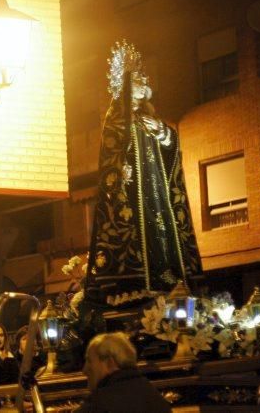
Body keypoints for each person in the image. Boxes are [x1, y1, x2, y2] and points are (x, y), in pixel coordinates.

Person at [85, 41, 202, 307]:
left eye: (143, 79)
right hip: (134, 195)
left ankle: (171, 281)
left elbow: (171, 143)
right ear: (127, 85)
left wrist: (161, 131)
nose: (144, 82)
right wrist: (122, 168)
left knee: (162, 236)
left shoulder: (150, 119)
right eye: (137, 79)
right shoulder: (116, 117)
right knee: (140, 236)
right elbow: (112, 153)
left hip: (157, 193)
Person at [76, 333, 171, 413]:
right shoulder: (155, 397)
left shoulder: (98, 405)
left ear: (110, 363)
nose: (85, 370)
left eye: (89, 361)